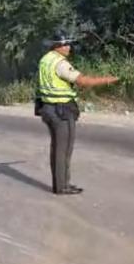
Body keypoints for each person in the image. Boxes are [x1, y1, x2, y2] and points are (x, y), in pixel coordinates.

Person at [36, 31, 119, 195]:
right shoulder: (60, 63)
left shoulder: (45, 60)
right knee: (63, 149)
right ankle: (62, 186)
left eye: (68, 44)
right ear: (56, 46)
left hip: (48, 107)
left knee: (58, 148)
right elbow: (82, 81)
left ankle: (61, 184)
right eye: (64, 44)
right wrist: (107, 80)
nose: (68, 47)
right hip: (61, 109)